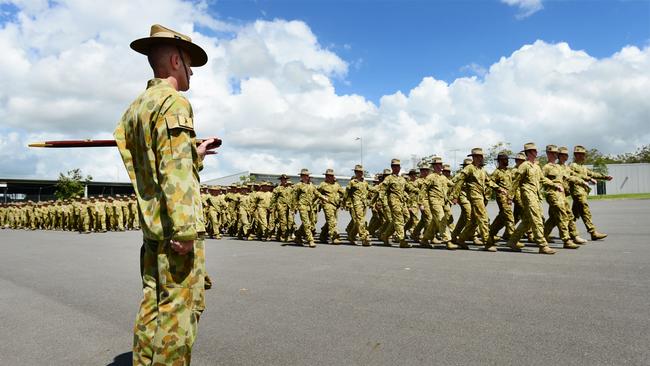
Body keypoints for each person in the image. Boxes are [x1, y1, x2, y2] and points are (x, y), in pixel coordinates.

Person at [113, 24, 219, 365]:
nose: (192, 73)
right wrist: (186, 229)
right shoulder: (174, 102)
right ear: (176, 60)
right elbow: (175, 172)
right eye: (190, 65)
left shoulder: (135, 109)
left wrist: (195, 156)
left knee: (153, 304)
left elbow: (156, 164)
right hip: (175, 229)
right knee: (178, 313)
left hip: (153, 226)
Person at [507, 143, 562, 254]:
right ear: (529, 152)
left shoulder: (536, 167)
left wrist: (554, 185)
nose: (536, 153)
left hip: (536, 195)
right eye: (534, 151)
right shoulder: (524, 165)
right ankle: (543, 245)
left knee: (527, 221)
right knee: (537, 219)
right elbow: (516, 181)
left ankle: (512, 241)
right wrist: (510, 196)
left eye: (536, 151)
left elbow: (542, 179)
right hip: (527, 194)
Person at [570, 145, 613, 240]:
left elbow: (593, 174)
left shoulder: (583, 167)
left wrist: (605, 177)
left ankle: (566, 230)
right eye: (581, 154)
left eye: (584, 154)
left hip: (582, 192)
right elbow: (573, 175)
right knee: (585, 211)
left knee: (572, 215)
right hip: (577, 192)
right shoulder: (573, 166)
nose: (583, 156)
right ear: (576, 155)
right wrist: (588, 178)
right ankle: (593, 232)